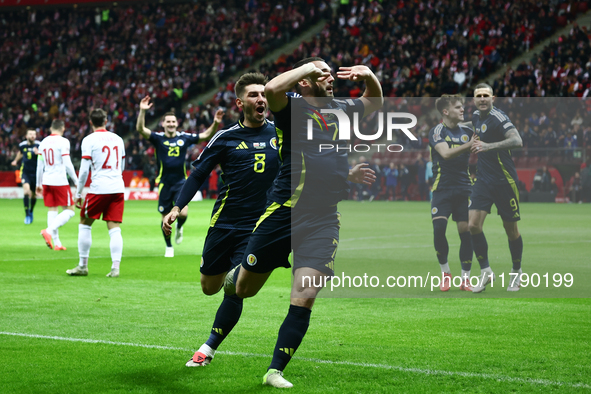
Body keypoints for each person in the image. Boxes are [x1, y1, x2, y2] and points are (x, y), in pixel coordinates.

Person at [225, 57, 382, 388]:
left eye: (329, 74)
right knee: (244, 289)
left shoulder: (341, 108)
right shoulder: (292, 107)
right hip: (286, 211)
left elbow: (375, 100)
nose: (330, 79)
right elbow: (271, 89)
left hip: (324, 217)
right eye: (322, 75)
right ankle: (237, 274)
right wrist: (311, 66)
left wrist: (370, 77)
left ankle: (275, 370)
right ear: (306, 81)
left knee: (306, 293)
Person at [161, 73, 279, 368]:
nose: (261, 99)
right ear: (240, 103)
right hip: (224, 224)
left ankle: (207, 349)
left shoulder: (281, 134)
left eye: (263, 94)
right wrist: (177, 207)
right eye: (253, 95)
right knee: (209, 286)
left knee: (236, 287)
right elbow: (199, 173)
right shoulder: (225, 138)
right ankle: (233, 274)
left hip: (258, 227)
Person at [136, 99, 224, 257]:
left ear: (177, 123)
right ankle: (169, 246)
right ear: (163, 124)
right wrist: (142, 110)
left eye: (173, 122)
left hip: (181, 182)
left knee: (183, 213)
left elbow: (206, 135)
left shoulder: (184, 138)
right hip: (164, 183)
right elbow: (140, 129)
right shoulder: (158, 138)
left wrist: (215, 123)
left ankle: (180, 227)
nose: (170, 124)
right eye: (168, 122)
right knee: (165, 217)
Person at [469, 83, 524, 293]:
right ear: (474, 99)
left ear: (493, 98)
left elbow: (517, 140)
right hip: (483, 180)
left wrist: (487, 146)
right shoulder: (475, 116)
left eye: (486, 95)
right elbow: (471, 126)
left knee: (511, 230)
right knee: (473, 225)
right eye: (478, 96)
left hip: (504, 181)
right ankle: (485, 272)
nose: (482, 99)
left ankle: (517, 272)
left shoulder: (499, 118)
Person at [66, 108, 126, 278]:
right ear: (106, 121)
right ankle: (115, 268)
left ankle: (82, 266)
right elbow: (122, 165)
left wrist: (78, 193)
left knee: (85, 222)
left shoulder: (89, 140)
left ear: (90, 122)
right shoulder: (118, 139)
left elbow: (84, 170)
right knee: (114, 227)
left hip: (99, 187)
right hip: (117, 187)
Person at [429, 94, 474, 292]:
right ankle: (445, 273)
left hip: (464, 188)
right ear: (446, 112)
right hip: (442, 188)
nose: (462, 110)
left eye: (462, 106)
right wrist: (469, 145)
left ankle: (466, 278)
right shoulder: (437, 131)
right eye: (458, 107)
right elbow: (445, 154)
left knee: (466, 232)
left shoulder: (468, 130)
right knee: (439, 230)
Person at [37, 120, 78, 251]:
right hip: (59, 180)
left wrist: (38, 183)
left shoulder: (43, 142)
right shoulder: (63, 141)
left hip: (47, 180)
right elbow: (68, 163)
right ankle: (48, 231)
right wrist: (77, 181)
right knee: (70, 210)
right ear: (63, 128)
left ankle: (57, 243)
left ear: (51, 128)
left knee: (52, 209)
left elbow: (40, 165)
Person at [11, 129, 40, 224]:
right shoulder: (22, 145)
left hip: (36, 174)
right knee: (26, 191)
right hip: (25, 172)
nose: (32, 136)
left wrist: (39, 154)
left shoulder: (39, 145)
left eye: (34, 134)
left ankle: (31, 211)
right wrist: (15, 160)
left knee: (34, 195)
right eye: (30, 134)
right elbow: (20, 153)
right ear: (26, 136)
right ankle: (27, 214)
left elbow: (44, 157)